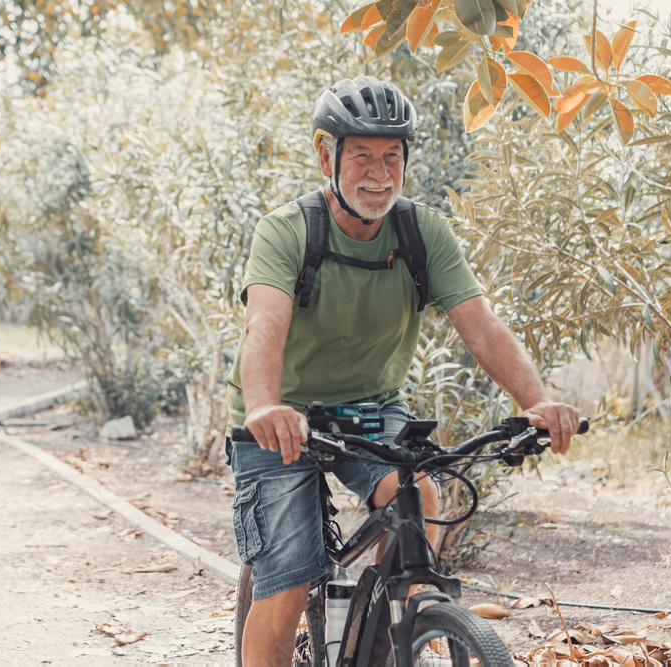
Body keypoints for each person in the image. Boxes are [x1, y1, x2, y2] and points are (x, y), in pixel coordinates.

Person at [226, 76, 580, 664]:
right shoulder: (287, 230)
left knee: (421, 496)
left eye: (392, 155)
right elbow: (264, 327)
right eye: (361, 154)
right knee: (286, 584)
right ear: (326, 156)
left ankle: (396, 629)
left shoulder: (421, 232)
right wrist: (263, 405)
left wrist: (535, 400)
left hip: (372, 408)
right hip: (281, 421)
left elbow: (482, 325)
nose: (379, 171)